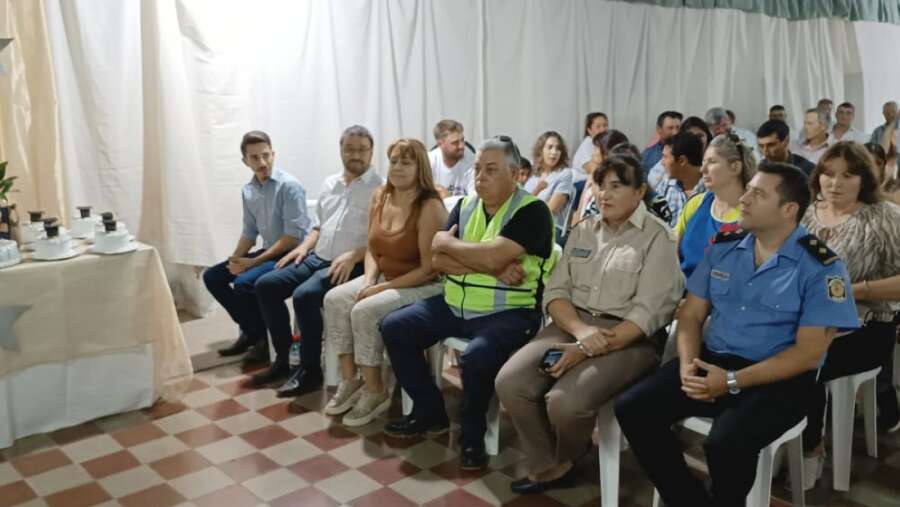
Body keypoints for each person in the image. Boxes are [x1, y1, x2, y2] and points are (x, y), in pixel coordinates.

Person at [615, 161, 859, 507]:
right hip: (715, 360)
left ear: (788, 209)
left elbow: (807, 354)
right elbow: (691, 314)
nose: (743, 199)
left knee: (724, 443)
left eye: (757, 194)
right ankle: (687, 499)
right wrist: (686, 364)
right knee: (633, 409)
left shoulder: (821, 267)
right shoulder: (725, 247)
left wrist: (731, 381)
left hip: (780, 378)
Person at [495, 153, 683, 495]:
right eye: (600, 185)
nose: (604, 194)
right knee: (510, 382)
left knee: (565, 403)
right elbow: (556, 292)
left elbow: (649, 312)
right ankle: (549, 463)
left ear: (640, 192)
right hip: (572, 325)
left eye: (617, 186)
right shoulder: (584, 231)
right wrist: (581, 333)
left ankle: (570, 453)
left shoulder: (659, 237)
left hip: (630, 339)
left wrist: (585, 348)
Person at [380, 136, 558, 470]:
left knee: (476, 356)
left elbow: (476, 254)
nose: (480, 177)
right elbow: (437, 258)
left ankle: (472, 436)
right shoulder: (465, 206)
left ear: (516, 173)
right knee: (394, 326)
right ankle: (428, 408)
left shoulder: (532, 210)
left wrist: (456, 247)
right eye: (477, 169)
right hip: (453, 303)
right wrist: (488, 263)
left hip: (509, 312)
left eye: (491, 170)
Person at [321, 138, 447, 426]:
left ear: (420, 167)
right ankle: (350, 379)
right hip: (383, 275)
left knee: (363, 310)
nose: (398, 167)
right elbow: (372, 248)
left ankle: (376, 390)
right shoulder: (379, 196)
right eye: (394, 161)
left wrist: (379, 288)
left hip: (423, 284)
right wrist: (367, 280)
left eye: (407, 161)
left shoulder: (429, 206)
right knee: (335, 299)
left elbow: (429, 269)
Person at [798, 142, 900, 489]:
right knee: (766, 349)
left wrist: (858, 290)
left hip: (867, 324)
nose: (834, 183)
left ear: (864, 179)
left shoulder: (883, 216)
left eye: (847, 175)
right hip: (811, 319)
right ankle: (783, 435)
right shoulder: (808, 212)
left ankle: (810, 446)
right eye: (828, 173)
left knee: (806, 361)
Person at [253, 125, 383, 397]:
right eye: (350, 149)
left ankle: (311, 371)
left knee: (305, 296)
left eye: (362, 149)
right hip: (316, 257)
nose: (355, 155)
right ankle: (285, 359)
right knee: (266, 285)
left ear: (371, 152)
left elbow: (380, 238)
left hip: (350, 263)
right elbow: (318, 227)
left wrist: (354, 254)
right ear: (341, 150)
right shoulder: (330, 183)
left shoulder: (379, 189)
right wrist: (300, 249)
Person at [204, 131, 311, 364]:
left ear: (273, 154)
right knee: (212, 277)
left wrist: (253, 263)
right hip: (269, 251)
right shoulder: (249, 190)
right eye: (254, 158)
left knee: (244, 283)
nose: (262, 163)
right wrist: (236, 259)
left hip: (294, 254)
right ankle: (253, 332)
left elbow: (293, 238)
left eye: (266, 155)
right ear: (245, 161)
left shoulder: (289, 186)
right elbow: (249, 233)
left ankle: (261, 340)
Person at [676, 133, 754, 278]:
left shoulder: (754, 213)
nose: (702, 169)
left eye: (711, 161)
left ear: (735, 167)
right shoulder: (696, 203)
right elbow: (673, 251)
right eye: (703, 162)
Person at [524, 131, 576, 241]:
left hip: (551, 230)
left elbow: (550, 210)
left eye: (558, 149)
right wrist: (536, 190)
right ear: (541, 150)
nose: (554, 152)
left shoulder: (564, 174)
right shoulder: (533, 177)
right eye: (550, 147)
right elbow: (520, 206)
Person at [573, 129, 630, 222]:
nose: (593, 152)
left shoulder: (618, 183)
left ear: (607, 152)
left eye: (596, 148)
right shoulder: (592, 176)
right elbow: (579, 211)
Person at [648, 116, 713, 193]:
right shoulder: (666, 184)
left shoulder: (713, 183)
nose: (695, 140)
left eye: (700, 136)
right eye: (689, 136)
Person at [656, 132, 706, 227]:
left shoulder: (711, 188)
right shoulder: (665, 185)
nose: (662, 163)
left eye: (665, 157)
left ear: (682, 160)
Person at [428, 119, 475, 198]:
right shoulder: (429, 161)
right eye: (455, 143)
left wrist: (448, 198)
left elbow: (474, 202)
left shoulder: (473, 162)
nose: (462, 146)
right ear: (440, 144)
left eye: (462, 140)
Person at [570, 112, 609, 182]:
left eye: (605, 125)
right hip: (580, 185)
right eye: (598, 126)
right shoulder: (587, 145)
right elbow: (595, 171)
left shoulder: (605, 143)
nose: (603, 129)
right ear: (589, 130)